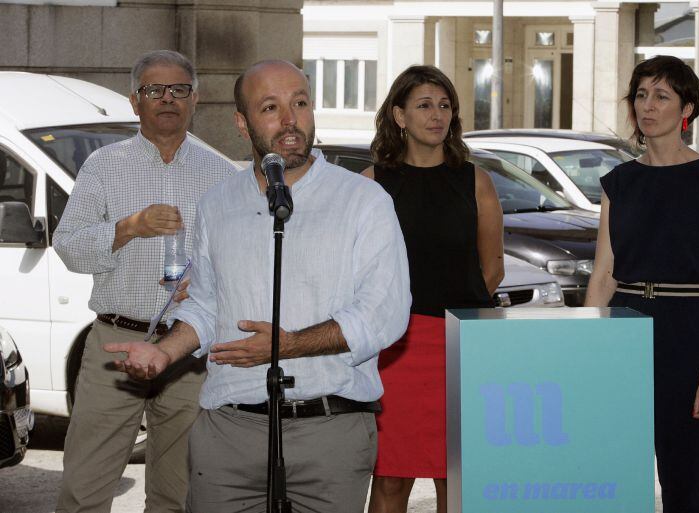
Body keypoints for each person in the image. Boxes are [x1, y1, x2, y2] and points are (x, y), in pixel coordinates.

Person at [102, 60, 411, 513]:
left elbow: (384, 313)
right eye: (271, 107)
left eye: (300, 103)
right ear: (242, 124)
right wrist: (164, 352)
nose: (291, 120)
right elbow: (206, 306)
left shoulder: (364, 200)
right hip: (229, 436)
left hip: (329, 432)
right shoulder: (217, 203)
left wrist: (288, 346)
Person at [52, 50, 236, 513]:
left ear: (196, 99)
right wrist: (128, 226)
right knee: (84, 489)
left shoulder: (221, 174)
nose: (167, 99)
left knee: (177, 494)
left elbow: (237, 260)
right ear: (135, 102)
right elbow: (68, 246)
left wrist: (210, 281)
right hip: (115, 344)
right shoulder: (103, 166)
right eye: (155, 90)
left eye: (178, 90)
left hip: (188, 349)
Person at [584, 55, 699, 513]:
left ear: (686, 108)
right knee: (614, 475)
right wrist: (587, 354)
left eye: (662, 96)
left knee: (685, 476)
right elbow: (603, 275)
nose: (648, 106)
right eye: (641, 95)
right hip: (622, 335)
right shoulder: (618, 182)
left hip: (687, 338)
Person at [363, 65, 504, 513]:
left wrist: (456, 313)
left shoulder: (475, 180)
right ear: (399, 116)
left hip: (461, 346)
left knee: (456, 479)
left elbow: (494, 266)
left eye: (445, 106)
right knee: (389, 480)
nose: (436, 115)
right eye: (424, 105)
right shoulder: (371, 185)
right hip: (394, 348)